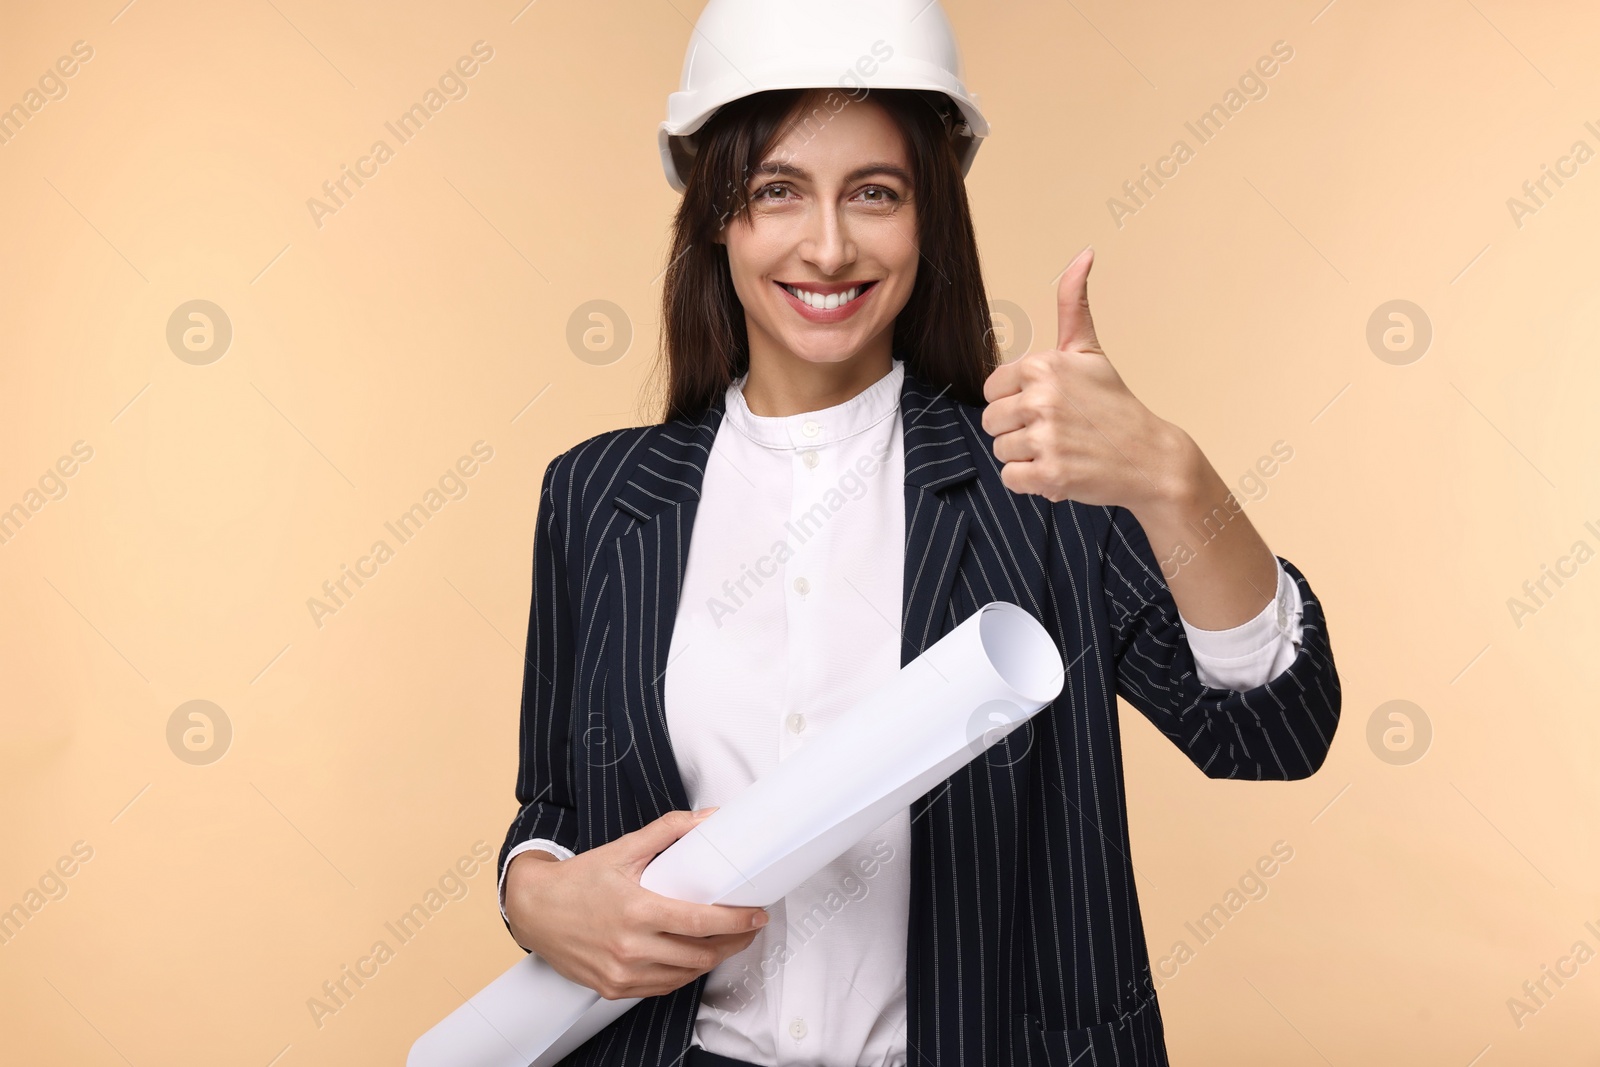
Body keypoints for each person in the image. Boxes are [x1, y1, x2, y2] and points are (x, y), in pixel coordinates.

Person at [497, 2, 1340, 1065]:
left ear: (928, 214)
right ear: (716, 215)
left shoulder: (1038, 484)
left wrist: (1174, 480)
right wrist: (531, 893)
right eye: (776, 193)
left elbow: (1269, 734)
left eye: (875, 194)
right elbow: (556, 805)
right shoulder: (598, 495)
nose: (829, 244)